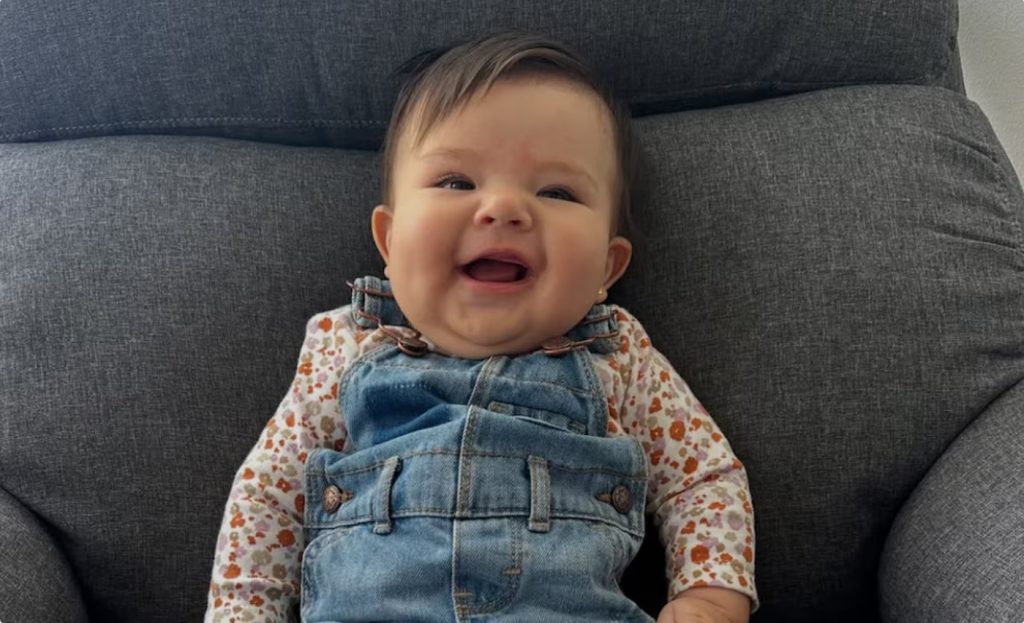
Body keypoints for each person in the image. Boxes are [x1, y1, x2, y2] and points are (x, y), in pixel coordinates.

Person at [205, 31, 757, 623]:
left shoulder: (618, 356)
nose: (503, 208)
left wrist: (709, 595)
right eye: (456, 183)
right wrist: (243, 612)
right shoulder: (347, 346)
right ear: (389, 242)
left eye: (556, 191)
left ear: (606, 267)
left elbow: (702, 478)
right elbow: (269, 496)